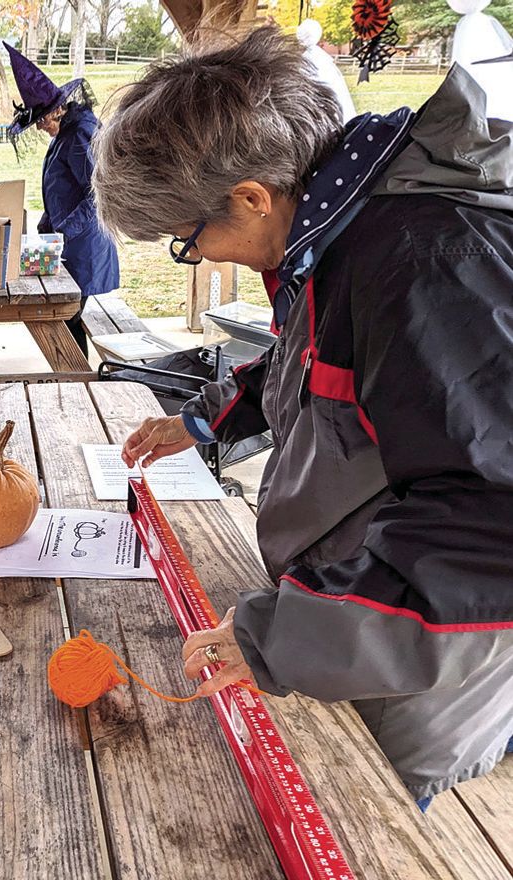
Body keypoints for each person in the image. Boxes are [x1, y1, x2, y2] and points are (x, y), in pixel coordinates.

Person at [93, 26, 513, 807]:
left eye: (191, 239)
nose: (203, 256)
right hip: (345, 607)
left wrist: (280, 638)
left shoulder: (424, 263)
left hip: (423, 635)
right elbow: (322, 361)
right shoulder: (344, 224)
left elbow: (491, 516)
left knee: (365, 814)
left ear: (251, 195)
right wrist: (209, 417)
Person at [3, 42, 120, 355]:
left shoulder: (81, 132)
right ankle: (74, 378)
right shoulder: (64, 132)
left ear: (57, 109)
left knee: (65, 316)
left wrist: (62, 231)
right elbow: (61, 187)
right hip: (67, 243)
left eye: (41, 120)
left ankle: (77, 382)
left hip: (83, 247)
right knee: (65, 317)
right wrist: (47, 223)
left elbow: (98, 193)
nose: (40, 127)